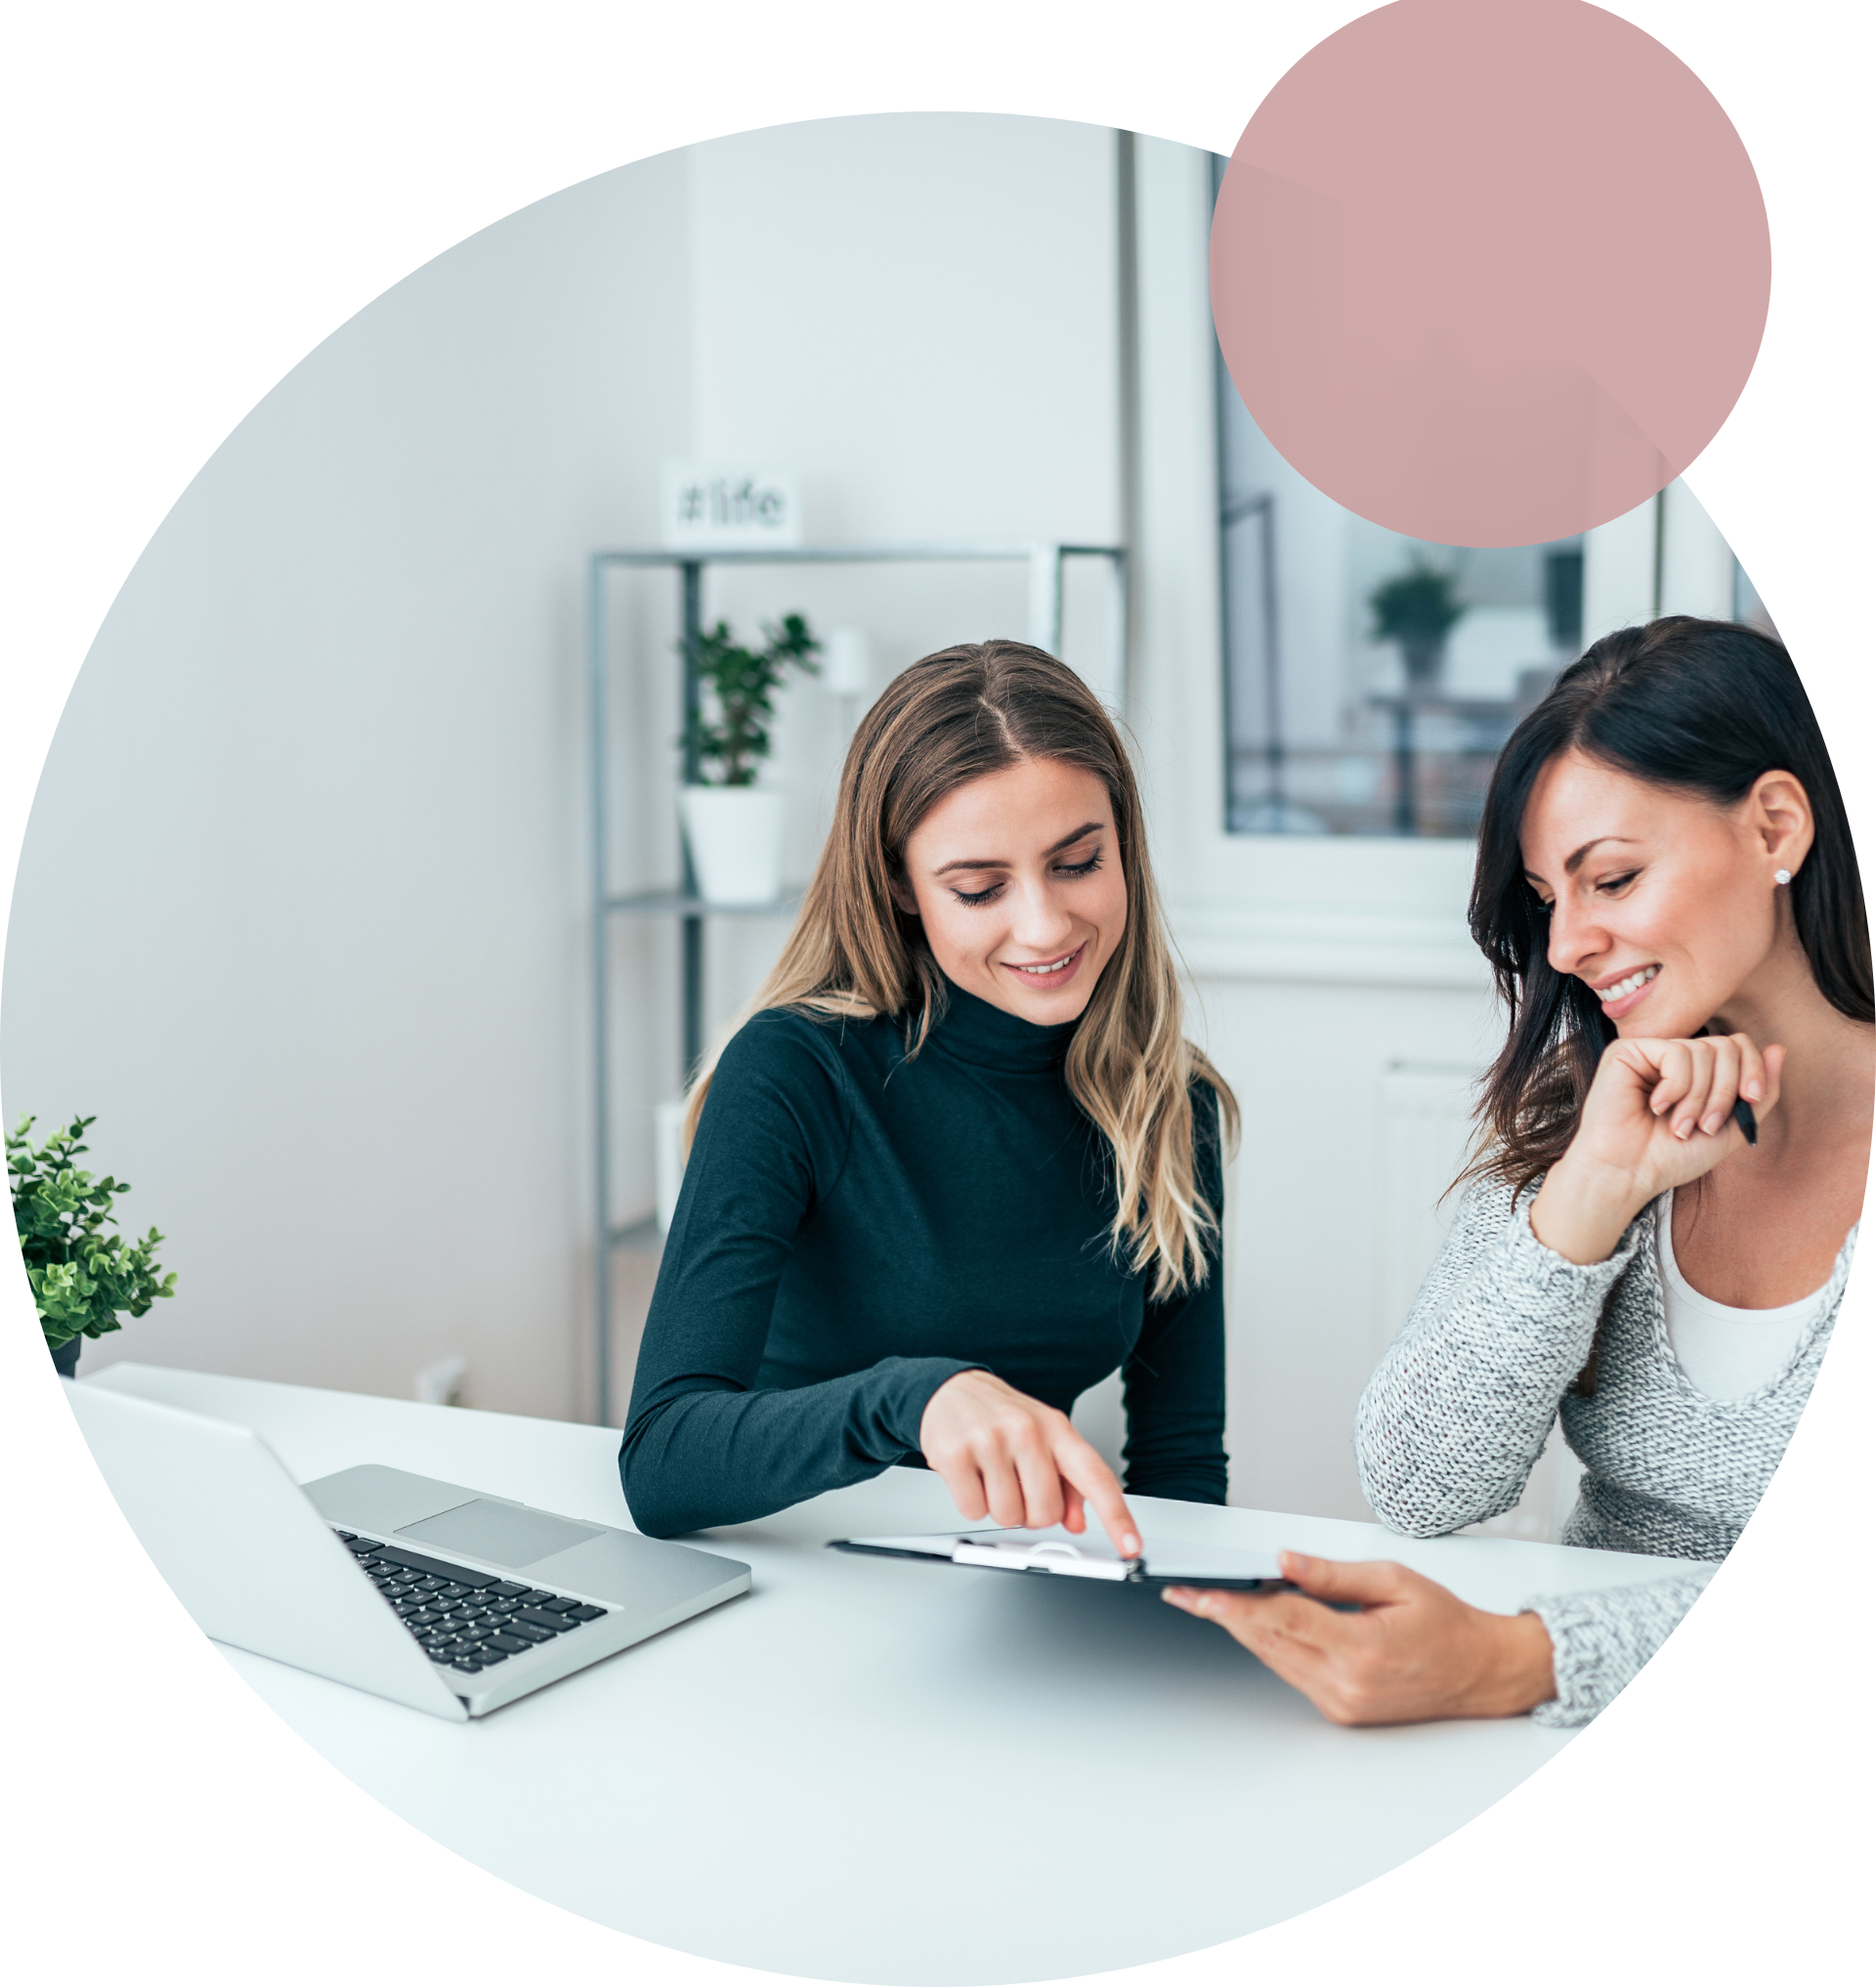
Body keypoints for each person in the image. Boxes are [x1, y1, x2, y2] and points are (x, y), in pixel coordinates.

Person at [1165, 616, 1870, 1725]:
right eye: (1548, 900)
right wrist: (1588, 1199)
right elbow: (1420, 1483)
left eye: (1614, 878)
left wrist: (1528, 1660)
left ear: (1776, 824)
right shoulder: (1598, 1115)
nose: (1567, 948)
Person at [619, 640, 1238, 1552]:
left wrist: (1170, 1621)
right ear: (900, 888)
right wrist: (913, 1397)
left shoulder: (1164, 1099)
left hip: (1012, 1593)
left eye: (1078, 863)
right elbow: (662, 1461)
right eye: (980, 887)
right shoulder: (793, 1071)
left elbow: (1182, 1460)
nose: (1045, 924)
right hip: (790, 1572)